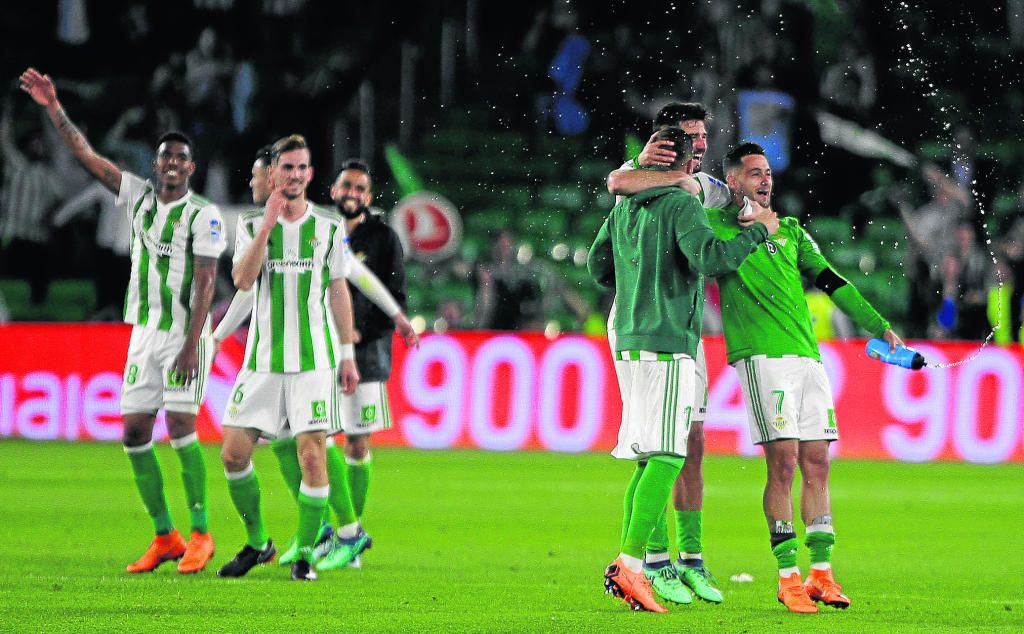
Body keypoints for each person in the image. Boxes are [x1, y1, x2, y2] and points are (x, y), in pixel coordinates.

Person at [20, 67, 224, 573]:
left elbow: (205, 282)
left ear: (191, 167)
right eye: (165, 156)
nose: (172, 163)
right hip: (144, 331)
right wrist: (53, 107)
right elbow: (86, 155)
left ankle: (202, 533)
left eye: (181, 157)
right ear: (155, 165)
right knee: (134, 433)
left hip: (185, 333)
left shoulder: (205, 216)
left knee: (181, 426)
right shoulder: (137, 196)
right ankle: (165, 535)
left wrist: (191, 344)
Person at [706, 141, 904, 613]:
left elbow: (832, 280)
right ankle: (787, 576)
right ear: (733, 181)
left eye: (768, 172)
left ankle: (821, 572)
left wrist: (879, 325)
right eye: (754, 173)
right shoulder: (717, 227)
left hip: (807, 357)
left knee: (818, 462)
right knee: (785, 463)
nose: (765, 179)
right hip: (762, 357)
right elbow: (711, 258)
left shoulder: (793, 231)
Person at [588, 127, 777, 613]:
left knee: (647, 454)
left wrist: (638, 282)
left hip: (629, 337)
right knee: (670, 453)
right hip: (668, 338)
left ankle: (638, 565)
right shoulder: (682, 204)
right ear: (687, 162)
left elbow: (598, 266)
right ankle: (632, 565)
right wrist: (760, 231)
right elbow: (711, 259)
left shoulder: (625, 204)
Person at [212, 149, 417, 572]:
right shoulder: (261, 226)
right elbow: (247, 288)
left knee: (341, 444)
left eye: (258, 177)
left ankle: (347, 531)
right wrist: (215, 336)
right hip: (282, 358)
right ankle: (325, 531)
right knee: (290, 444)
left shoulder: (352, 232)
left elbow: (356, 280)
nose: (255, 185)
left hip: (339, 351)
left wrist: (389, 321)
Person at [216, 134, 358, 582]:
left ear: (310, 174)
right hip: (260, 361)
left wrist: (347, 352)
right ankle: (259, 543)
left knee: (312, 456)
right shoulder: (251, 224)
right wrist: (267, 226)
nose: (294, 175)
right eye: (287, 168)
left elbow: (338, 289)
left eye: (302, 168)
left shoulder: (329, 228)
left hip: (314, 361)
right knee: (233, 455)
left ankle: (307, 556)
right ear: (273, 173)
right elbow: (241, 279)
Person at [604, 102, 730, 604]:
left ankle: (689, 560)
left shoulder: (708, 185)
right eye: (687, 137)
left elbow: (623, 185)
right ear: (667, 141)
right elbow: (621, 184)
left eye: (702, 136)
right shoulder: (681, 190)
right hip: (661, 328)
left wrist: (639, 171)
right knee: (664, 448)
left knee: (683, 443)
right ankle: (647, 562)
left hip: (678, 328)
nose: (698, 145)